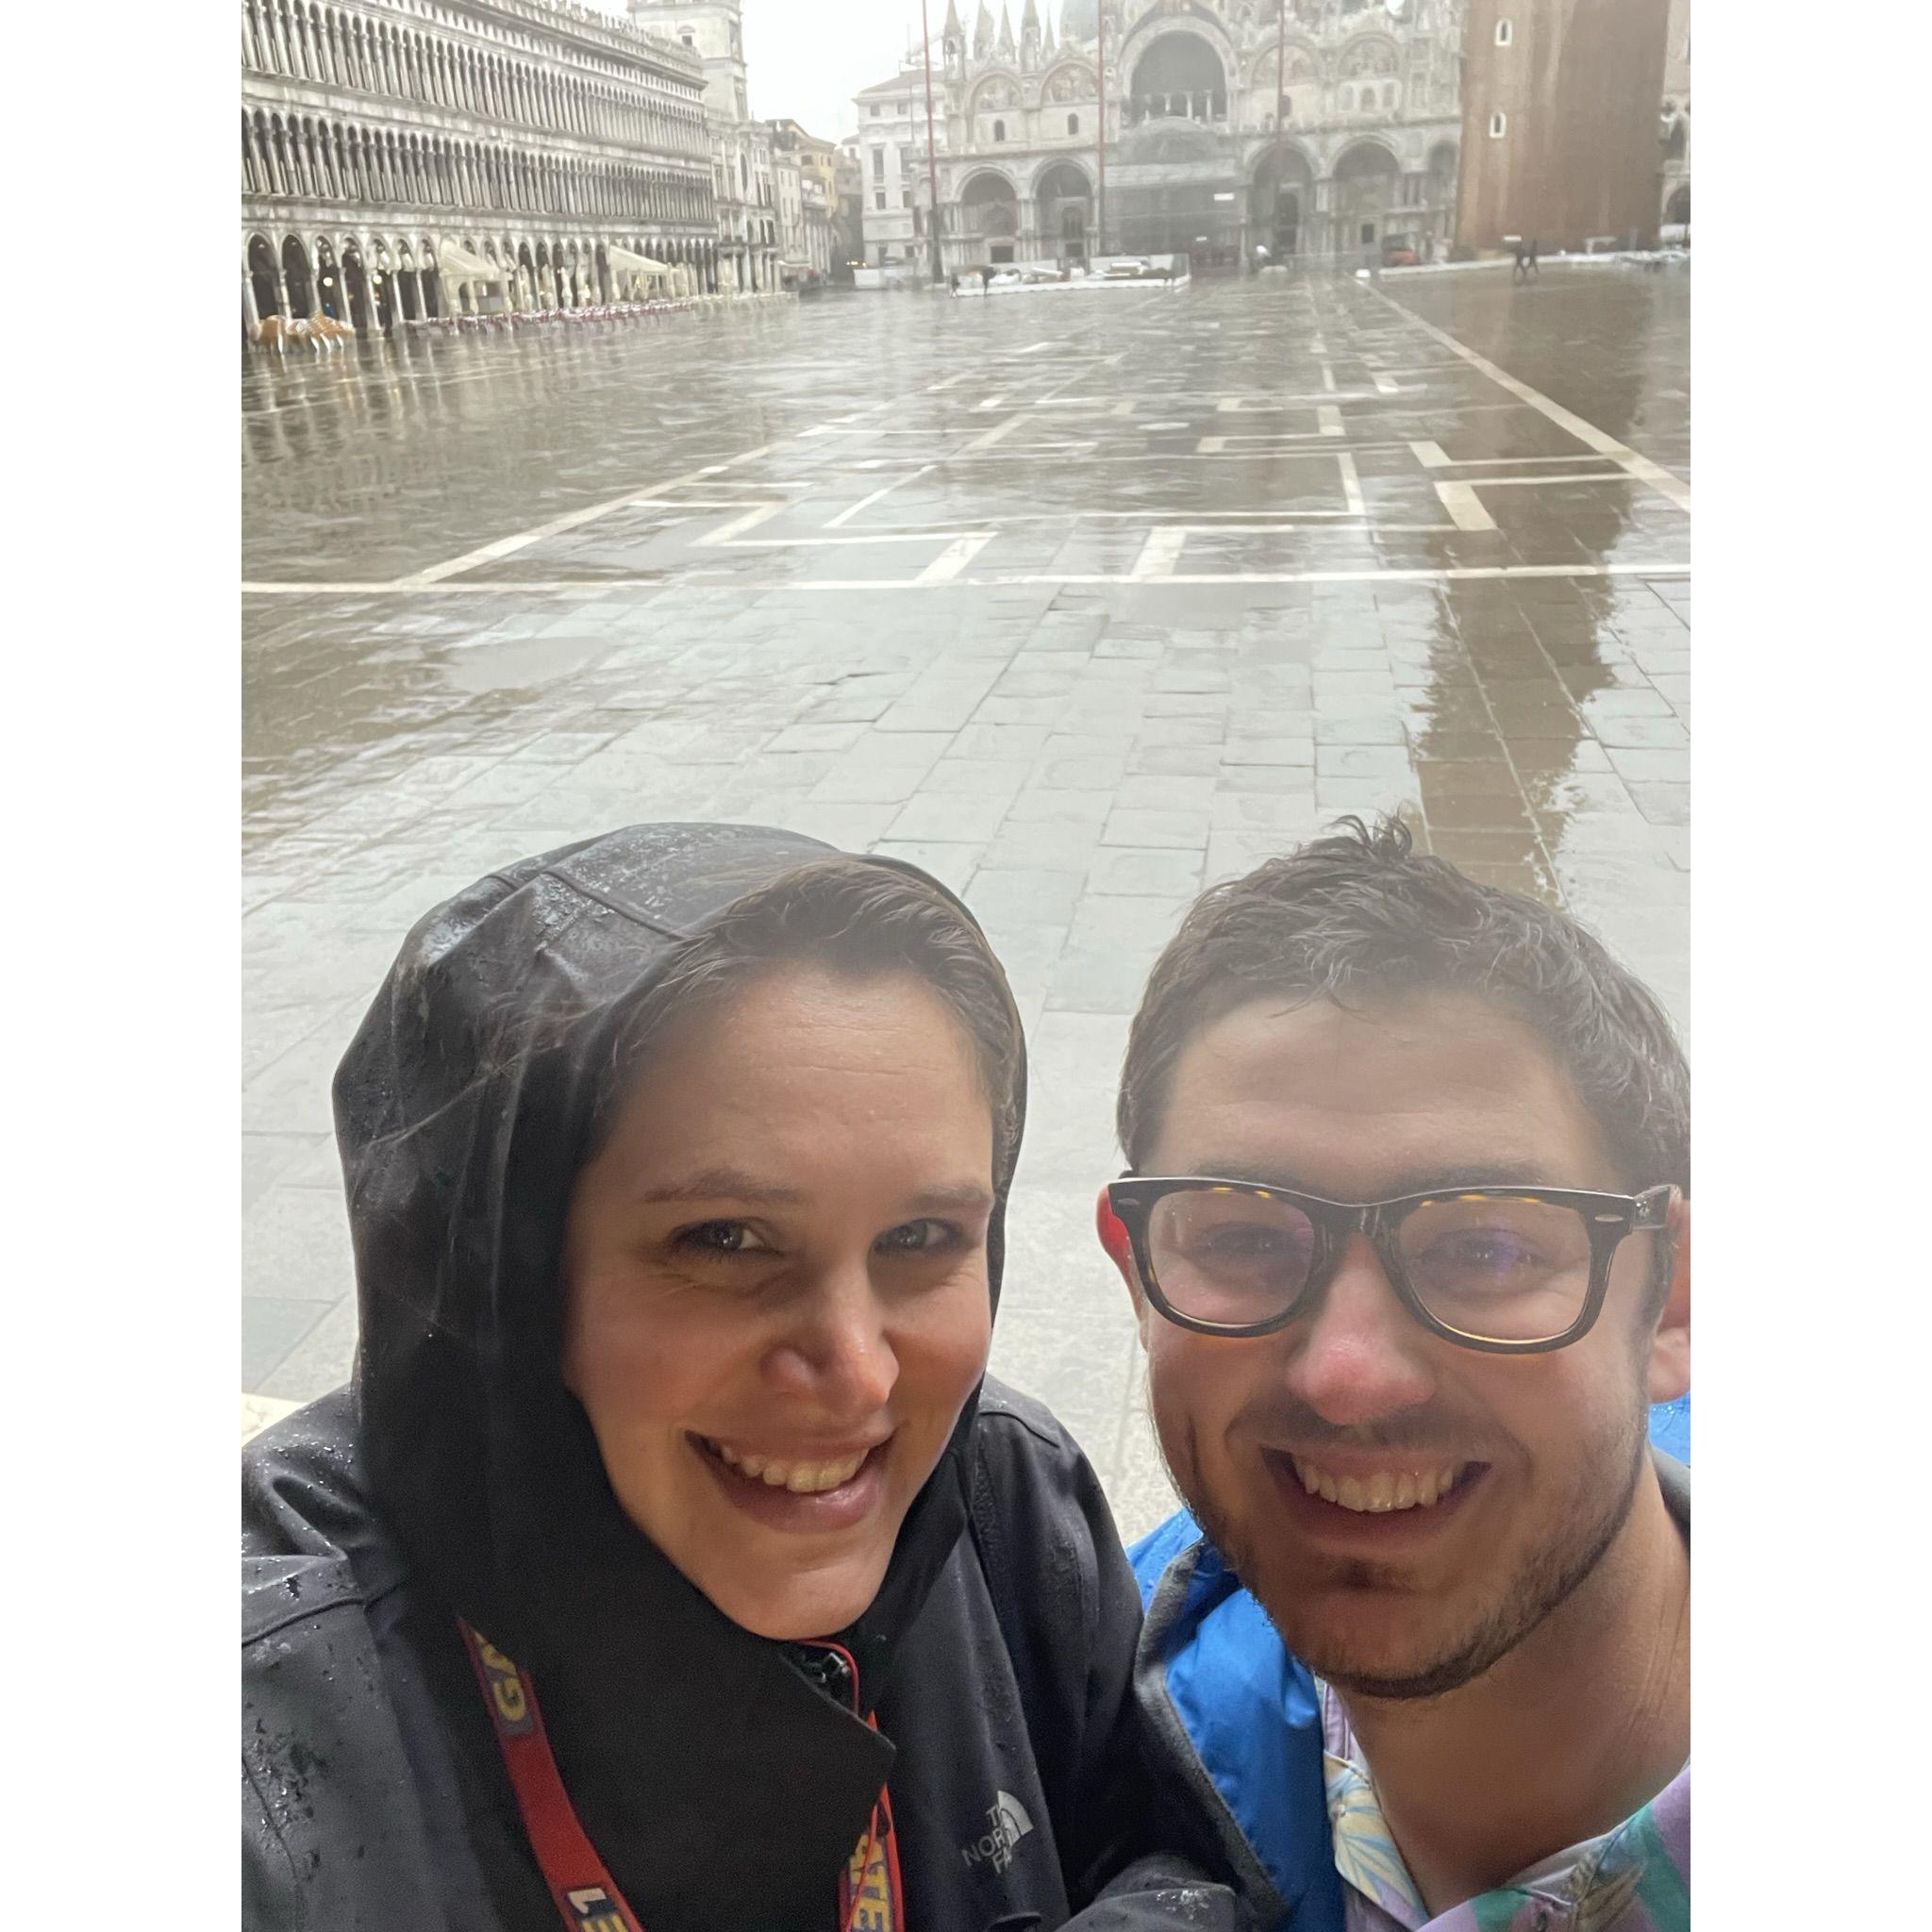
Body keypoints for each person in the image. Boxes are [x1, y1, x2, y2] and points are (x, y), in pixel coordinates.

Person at [243, 822, 1234, 1932]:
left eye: (919, 1234)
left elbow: (1158, 1846)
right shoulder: (269, 1721)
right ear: (500, 1286)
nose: (857, 1372)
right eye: (724, 1240)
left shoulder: (1007, 1502)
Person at [1098, 819, 1690, 1932]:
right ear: (1137, 1272)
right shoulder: (1074, 1703)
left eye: (1489, 1250)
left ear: (1673, 1297)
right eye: (1239, 1237)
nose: (1347, 1376)